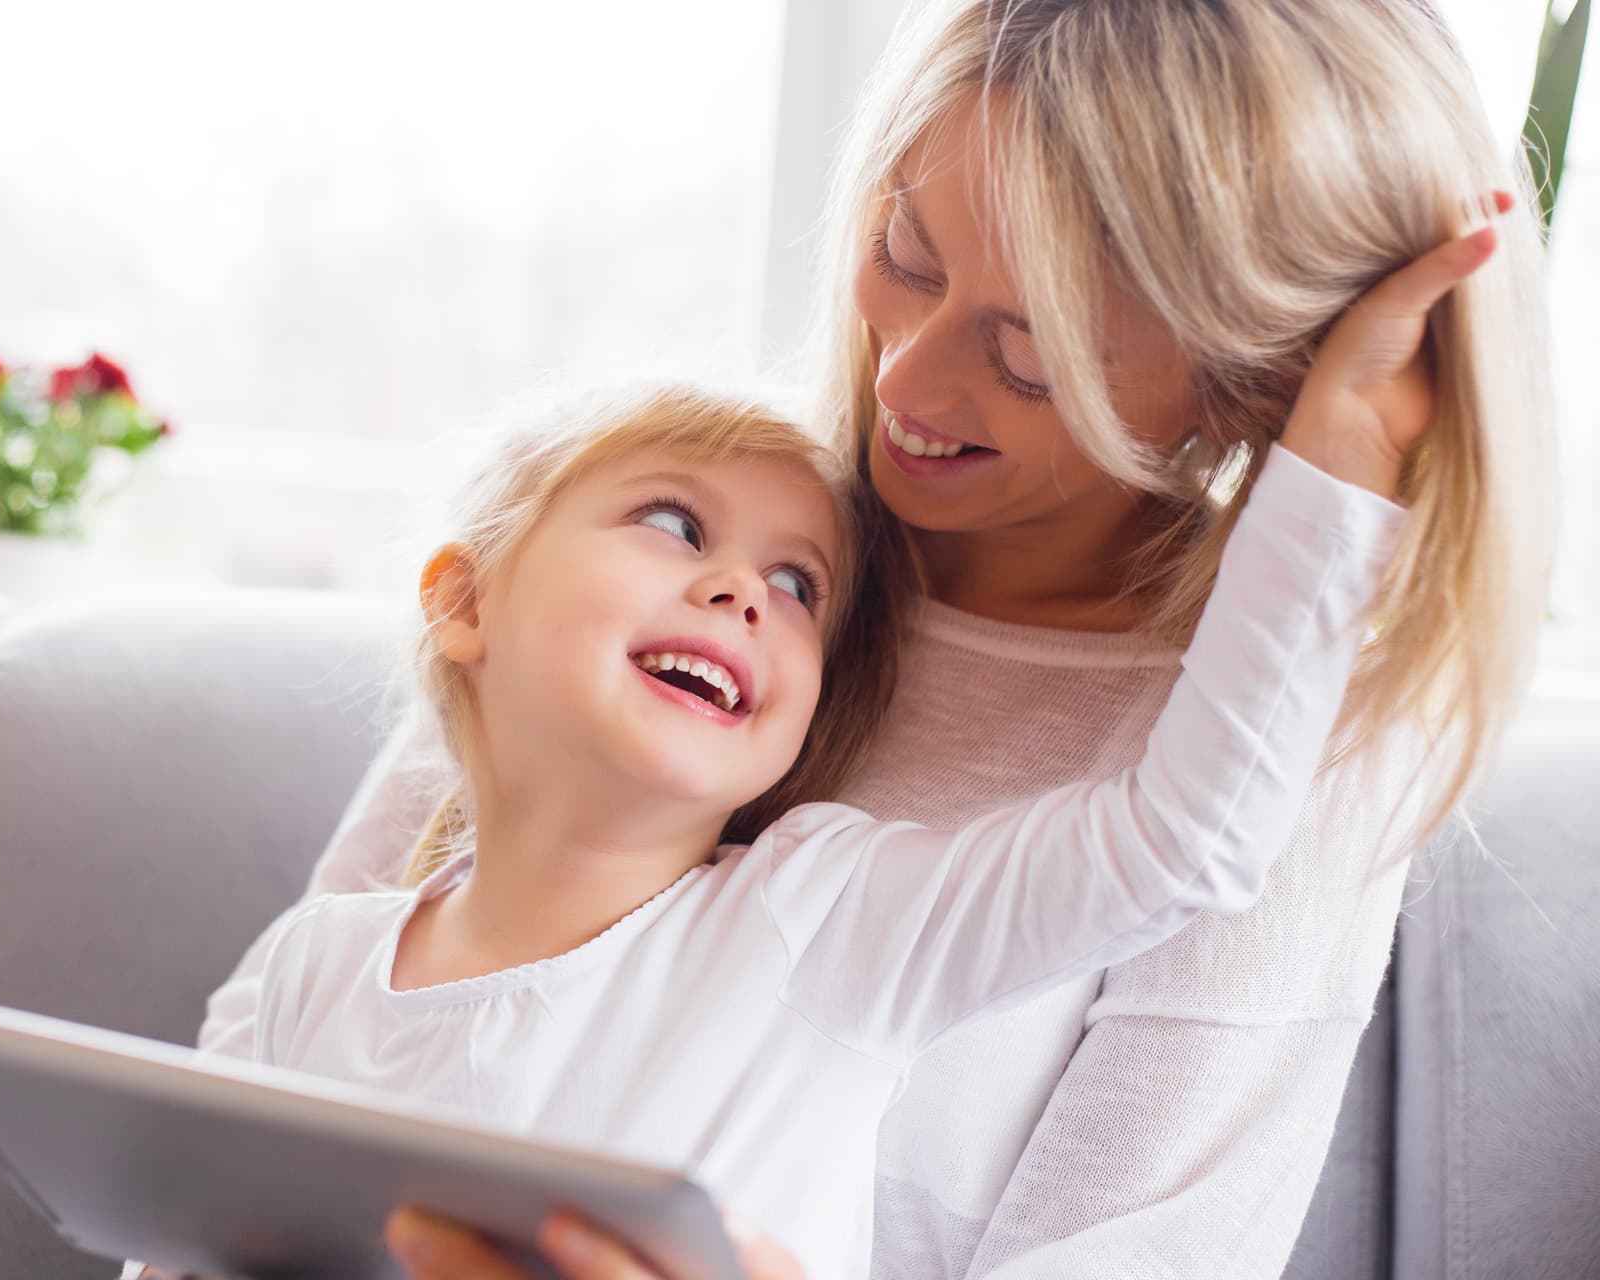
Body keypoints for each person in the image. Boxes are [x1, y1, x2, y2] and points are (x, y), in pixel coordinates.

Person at [199, 2, 1555, 1277]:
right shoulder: (629, 587)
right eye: (905, 255)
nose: (905, 380)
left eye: (1031, 357)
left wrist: (1337, 485)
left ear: (1254, 383)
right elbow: (251, 1149)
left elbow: (1188, 847)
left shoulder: (1247, 759)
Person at [124, 345, 1401, 1280]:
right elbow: (168, 1243)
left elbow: (1188, 841)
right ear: (465, 601)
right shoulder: (314, 967)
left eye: (799, 585)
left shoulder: (826, 919)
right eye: (675, 522)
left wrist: (1334, 472)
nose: (744, 589)